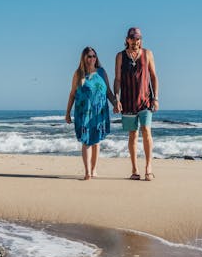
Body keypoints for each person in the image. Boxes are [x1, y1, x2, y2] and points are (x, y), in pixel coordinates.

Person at [114, 27, 159, 181]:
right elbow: (117, 79)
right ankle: (134, 169)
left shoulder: (148, 54)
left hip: (145, 100)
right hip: (127, 101)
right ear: (127, 39)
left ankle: (148, 167)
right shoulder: (120, 56)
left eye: (138, 39)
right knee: (132, 135)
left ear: (141, 40)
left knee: (146, 130)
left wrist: (156, 98)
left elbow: (153, 77)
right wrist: (116, 99)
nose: (135, 41)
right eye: (132, 38)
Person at [65, 47, 116, 180]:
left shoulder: (102, 72)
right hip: (84, 112)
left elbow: (108, 92)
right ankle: (87, 172)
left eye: (94, 56)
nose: (92, 58)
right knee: (86, 141)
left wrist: (116, 103)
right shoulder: (78, 74)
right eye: (89, 56)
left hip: (99, 112)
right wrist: (67, 113)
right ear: (84, 58)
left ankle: (93, 170)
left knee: (96, 141)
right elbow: (72, 94)